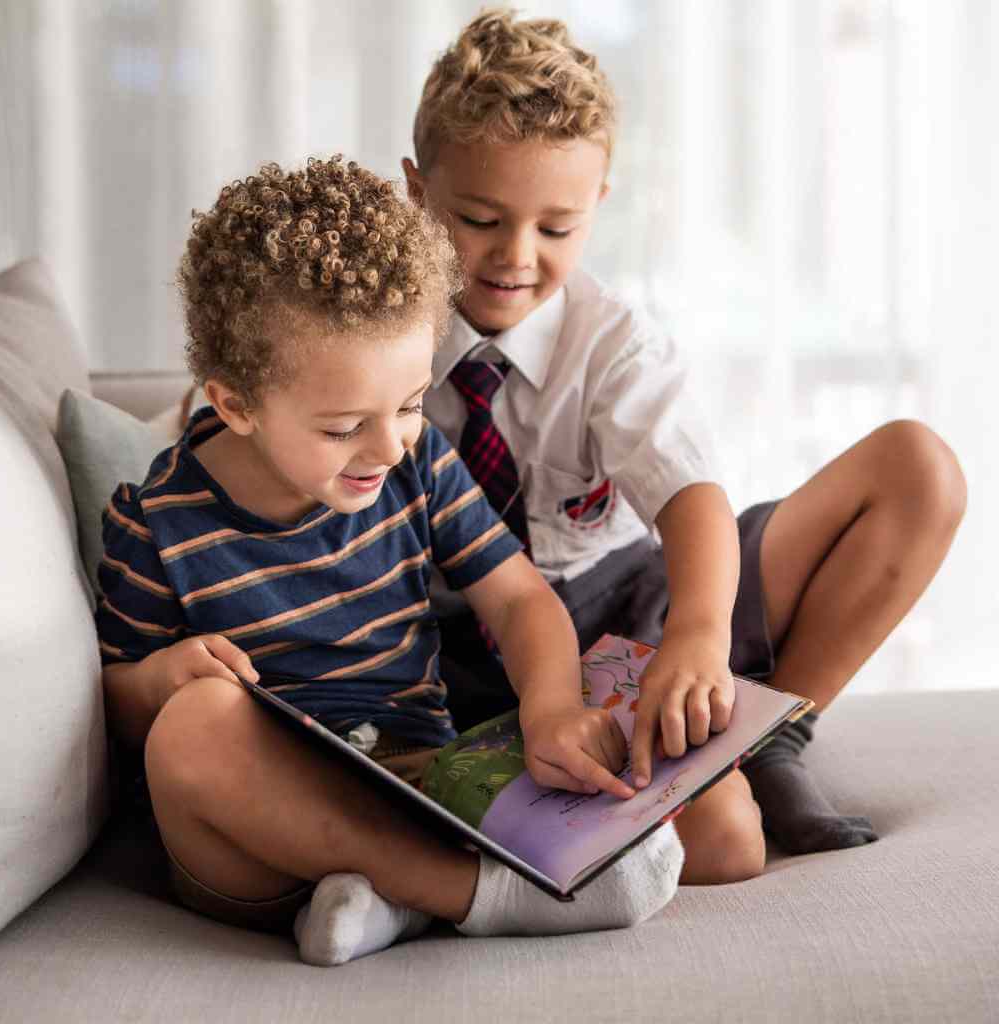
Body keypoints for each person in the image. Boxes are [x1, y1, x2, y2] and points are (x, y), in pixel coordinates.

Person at [402, 8, 967, 884]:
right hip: (478, 651)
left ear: (598, 205)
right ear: (416, 191)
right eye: (479, 219)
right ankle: (683, 774)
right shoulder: (379, 332)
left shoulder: (611, 340)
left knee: (917, 467)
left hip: (639, 598)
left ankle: (770, 735)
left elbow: (688, 497)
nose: (516, 256)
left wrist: (699, 636)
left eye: (556, 228)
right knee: (719, 844)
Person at [95, 155, 684, 967]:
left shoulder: (416, 463)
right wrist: (160, 681)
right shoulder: (155, 522)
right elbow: (116, 711)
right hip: (263, 832)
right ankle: (485, 897)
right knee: (190, 728)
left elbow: (517, 599)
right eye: (343, 428)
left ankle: (387, 899)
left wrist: (551, 711)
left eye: (408, 405)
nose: (388, 447)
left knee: (713, 834)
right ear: (234, 403)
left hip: (420, 782)